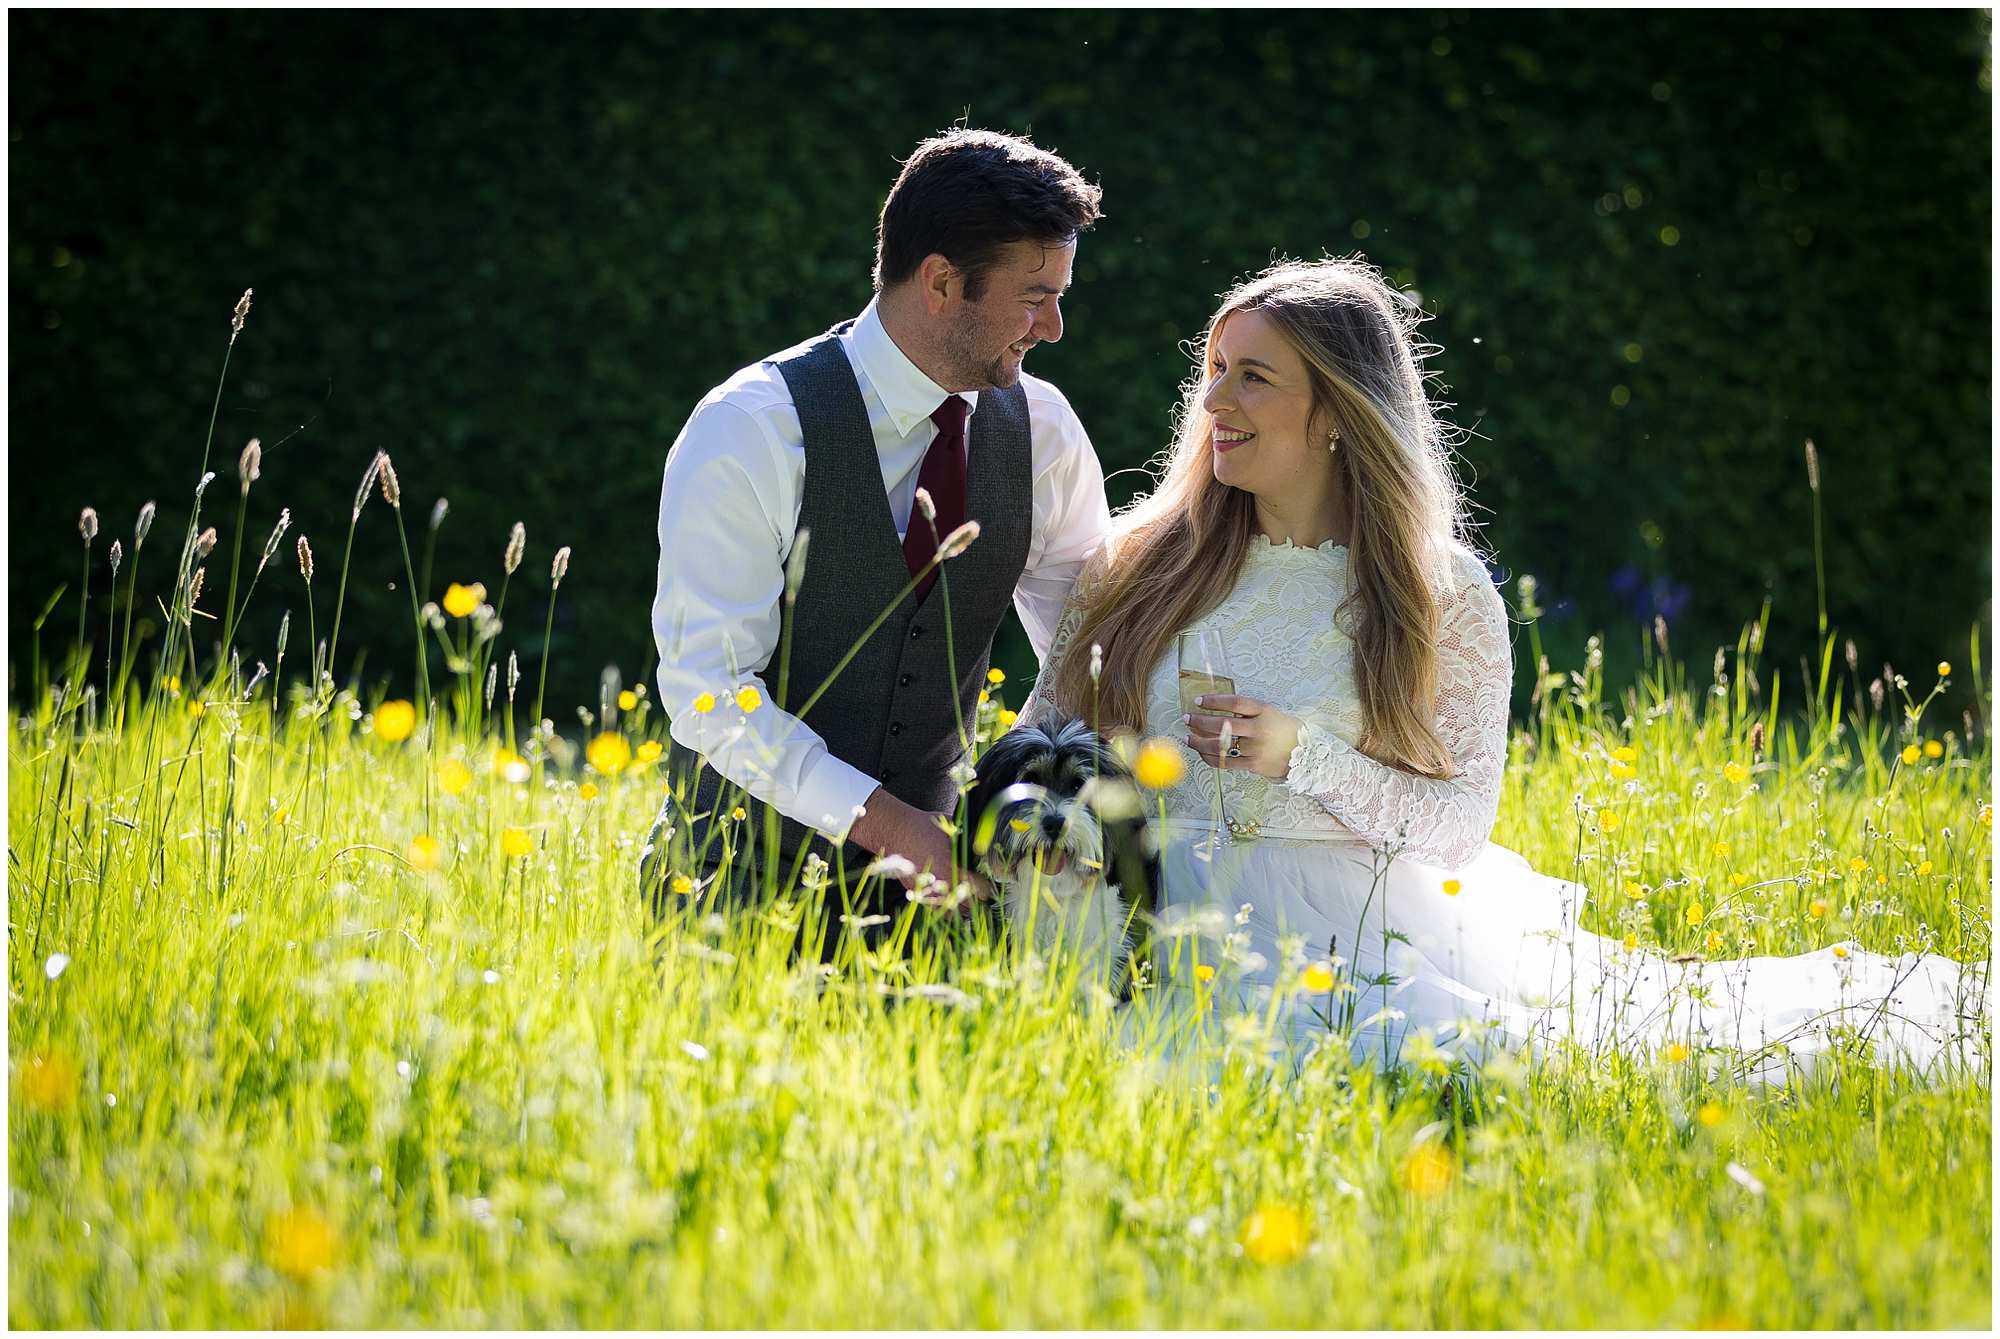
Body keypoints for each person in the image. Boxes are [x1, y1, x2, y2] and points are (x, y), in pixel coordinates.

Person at [1025, 256, 1986, 1083]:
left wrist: (1303, 757)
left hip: (1334, 927)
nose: (1215, 401)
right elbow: (1033, 740)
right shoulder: (1137, 558)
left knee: (1469, 1056)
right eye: (1215, 371)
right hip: (1125, 910)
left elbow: (1454, 829)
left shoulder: (1436, 593)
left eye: (1254, 378)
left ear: (1336, 413)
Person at [643, 128, 1111, 942]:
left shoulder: (1045, 432)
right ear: (939, 282)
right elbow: (708, 691)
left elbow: (1091, 651)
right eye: (1035, 296)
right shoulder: (751, 428)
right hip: (729, 891)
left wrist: (1023, 801)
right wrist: (899, 831)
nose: (1056, 327)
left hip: (942, 916)